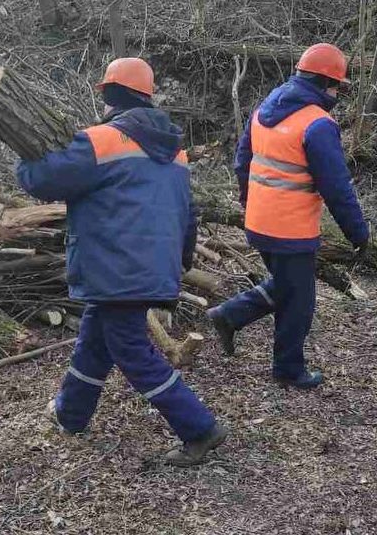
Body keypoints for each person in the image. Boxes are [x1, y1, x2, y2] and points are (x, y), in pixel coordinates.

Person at [16, 58, 227, 466]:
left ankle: (200, 429)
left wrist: (23, 157)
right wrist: (181, 260)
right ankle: (70, 414)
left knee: (131, 350)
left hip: (115, 269)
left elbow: (42, 180)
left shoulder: (100, 142)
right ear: (147, 97)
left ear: (109, 95)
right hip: (149, 267)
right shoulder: (177, 152)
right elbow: (189, 213)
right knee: (95, 342)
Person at [208, 43, 370, 389]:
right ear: (327, 83)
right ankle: (288, 369)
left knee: (286, 285)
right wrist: (358, 234)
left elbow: (243, 163)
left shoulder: (264, 109)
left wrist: (249, 203)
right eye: (338, 86)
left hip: (259, 222)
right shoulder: (318, 124)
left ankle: (229, 315)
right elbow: (337, 189)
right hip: (291, 229)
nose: (338, 94)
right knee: (299, 300)